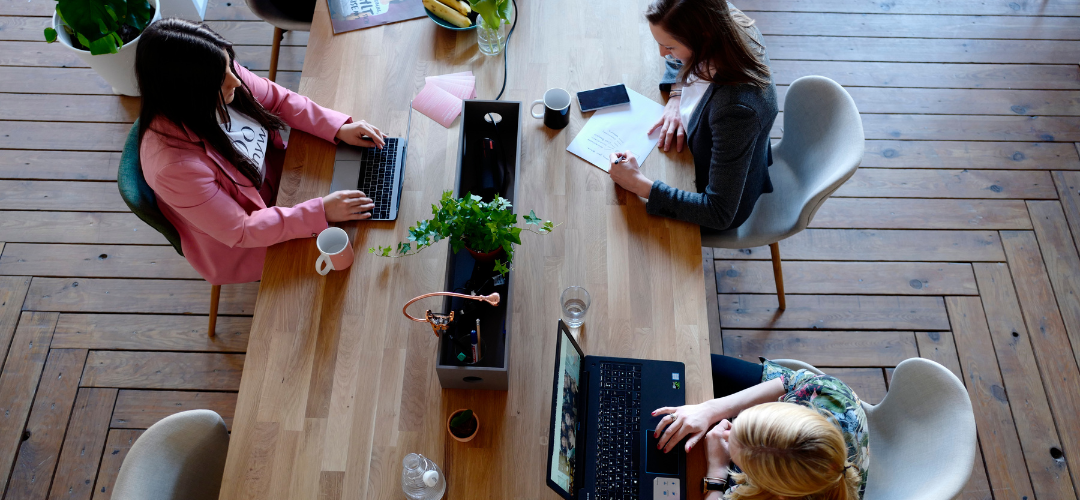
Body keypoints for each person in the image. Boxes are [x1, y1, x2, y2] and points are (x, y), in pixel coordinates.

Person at [135, 19, 388, 285]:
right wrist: (320, 211)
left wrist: (337, 128)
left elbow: (279, 100)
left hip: (284, 183)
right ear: (187, 92)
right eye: (223, 78)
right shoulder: (174, 168)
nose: (236, 79)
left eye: (230, 65)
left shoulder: (218, 75)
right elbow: (242, 229)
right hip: (246, 241)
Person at [608, 0, 778, 232]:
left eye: (670, 47)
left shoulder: (736, 110)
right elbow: (680, 59)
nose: (662, 54)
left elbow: (719, 212)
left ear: (704, 38)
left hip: (716, 200)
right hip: (707, 155)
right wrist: (677, 95)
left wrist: (639, 185)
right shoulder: (719, 17)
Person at [652, 356, 869, 499]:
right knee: (694, 363)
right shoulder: (828, 393)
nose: (726, 428)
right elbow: (789, 381)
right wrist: (711, 409)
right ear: (787, 409)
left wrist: (717, 471)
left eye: (737, 460)